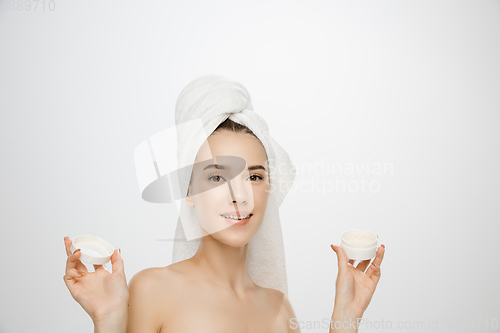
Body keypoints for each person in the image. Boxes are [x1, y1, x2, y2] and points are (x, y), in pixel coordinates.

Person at [63, 78, 385, 333]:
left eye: (255, 177)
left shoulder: (279, 311)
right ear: (187, 191)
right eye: (217, 177)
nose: (240, 195)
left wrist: (346, 317)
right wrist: (108, 321)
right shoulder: (152, 290)